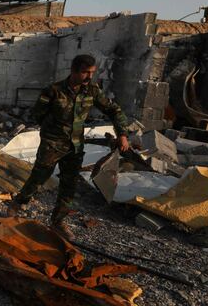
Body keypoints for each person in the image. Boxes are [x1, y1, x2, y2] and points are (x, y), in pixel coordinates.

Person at [8, 54, 130, 237]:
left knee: (69, 185)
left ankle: (58, 222)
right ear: (73, 71)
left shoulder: (92, 90)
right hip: (52, 143)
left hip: (75, 146)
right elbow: (37, 115)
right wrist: (52, 130)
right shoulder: (53, 91)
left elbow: (114, 110)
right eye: (85, 72)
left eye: (92, 72)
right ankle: (17, 205)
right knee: (38, 178)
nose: (89, 77)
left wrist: (122, 134)